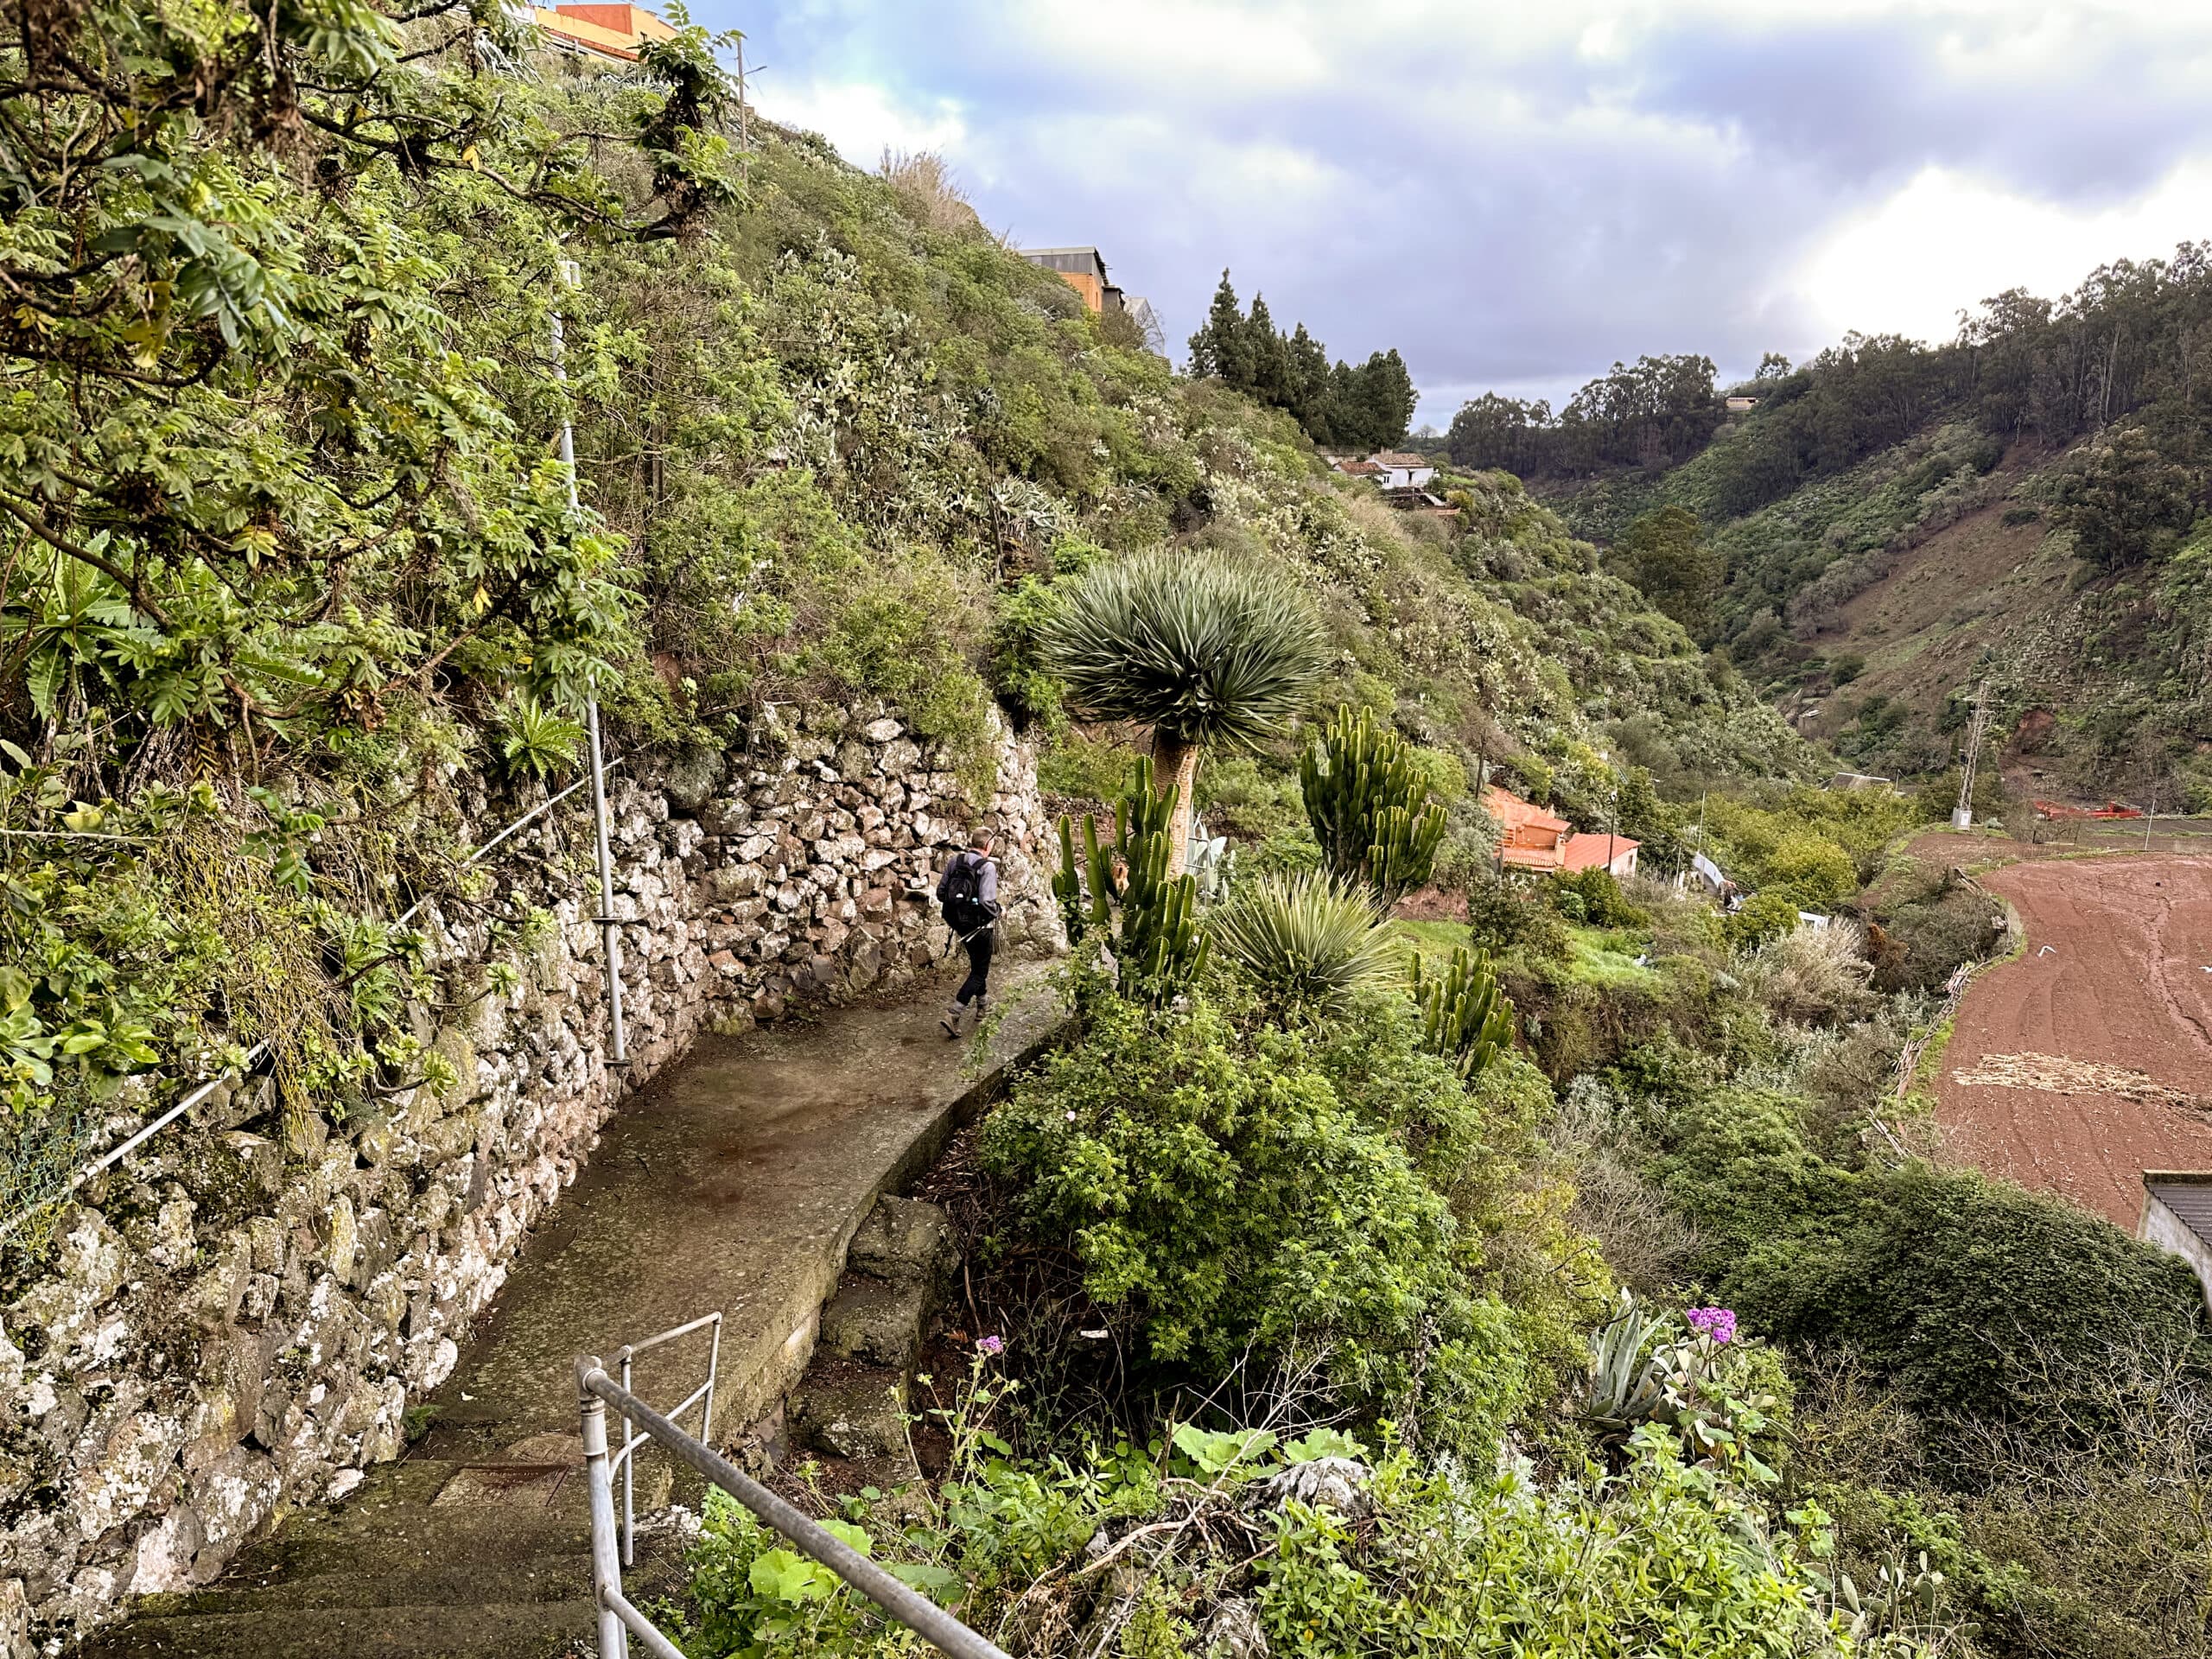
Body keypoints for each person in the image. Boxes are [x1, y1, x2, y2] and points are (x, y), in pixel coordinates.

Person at [937, 830, 1001, 1038]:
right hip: (979, 927)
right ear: (988, 845)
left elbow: (941, 893)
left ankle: (983, 1005)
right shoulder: (987, 867)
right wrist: (1000, 910)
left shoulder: (955, 861)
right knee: (979, 972)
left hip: (957, 923)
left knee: (977, 964)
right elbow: (986, 902)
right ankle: (954, 1013)